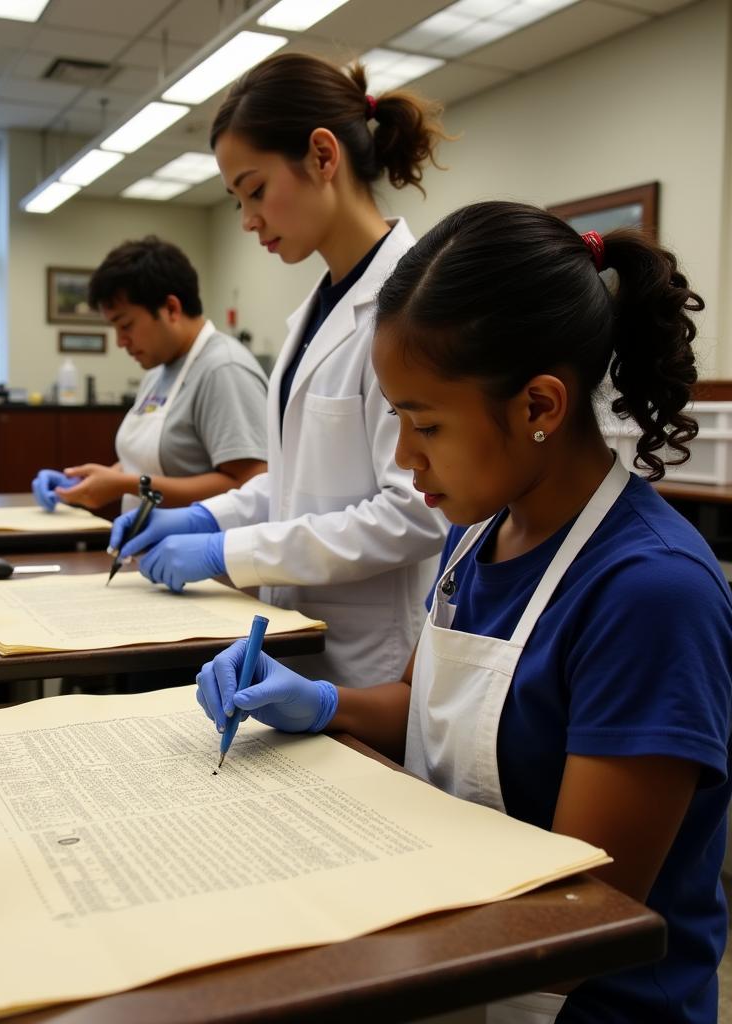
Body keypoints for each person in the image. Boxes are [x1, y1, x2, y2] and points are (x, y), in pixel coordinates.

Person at [196, 201, 732, 1023]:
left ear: (540, 407)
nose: (405, 459)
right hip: (460, 957)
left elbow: (581, 914)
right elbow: (419, 704)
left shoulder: (649, 594)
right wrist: (324, 704)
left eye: (426, 424)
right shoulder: (479, 534)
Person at [110, 53, 450, 687]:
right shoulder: (316, 311)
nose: (248, 220)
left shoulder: (413, 306)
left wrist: (226, 551)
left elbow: (414, 512)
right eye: (238, 199)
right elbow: (297, 485)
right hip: (296, 643)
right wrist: (209, 518)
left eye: (255, 190)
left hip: (369, 660)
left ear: (323, 156)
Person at [32, 236, 267, 513]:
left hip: (197, 552)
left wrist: (126, 485)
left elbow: (249, 485)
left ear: (171, 309)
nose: (120, 341)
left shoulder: (223, 370)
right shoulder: (159, 371)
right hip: (149, 548)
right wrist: (84, 482)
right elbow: (147, 466)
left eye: (126, 325)